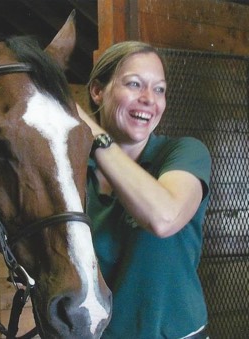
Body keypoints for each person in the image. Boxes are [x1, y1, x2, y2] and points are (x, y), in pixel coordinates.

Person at [77, 41, 211, 338]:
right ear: (97, 91)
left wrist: (93, 133)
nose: (150, 99)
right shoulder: (74, 172)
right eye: (135, 84)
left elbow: (163, 218)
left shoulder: (184, 153)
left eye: (159, 89)